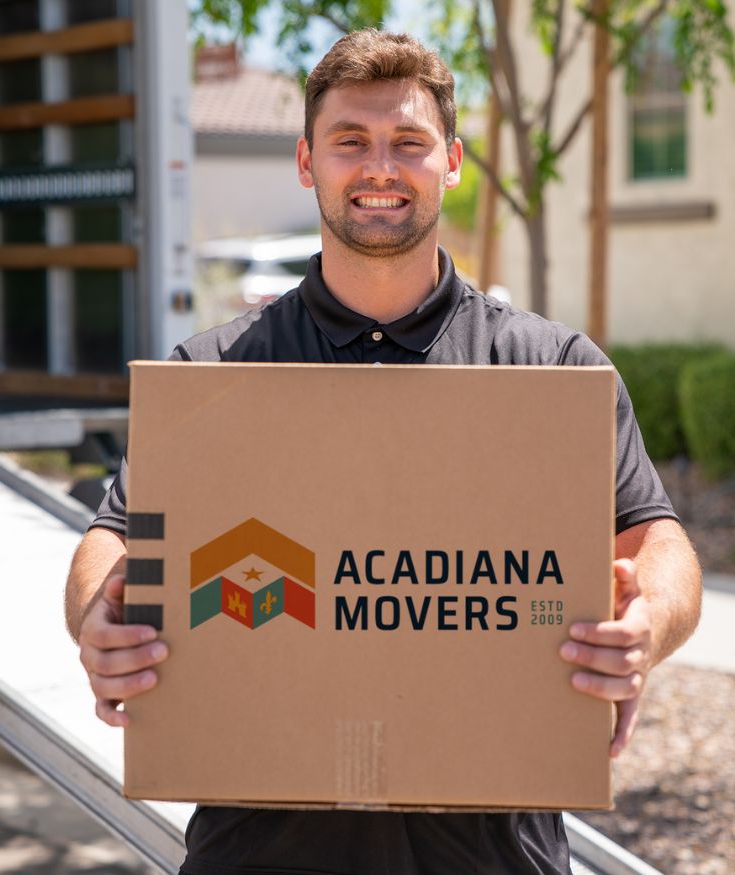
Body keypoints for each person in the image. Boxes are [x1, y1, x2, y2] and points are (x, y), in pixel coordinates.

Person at [65, 28, 701, 875]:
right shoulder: (212, 376)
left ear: (452, 162)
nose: (380, 168)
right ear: (307, 162)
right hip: (261, 854)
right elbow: (113, 535)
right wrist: (95, 617)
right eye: (350, 141)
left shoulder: (552, 370)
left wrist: (648, 624)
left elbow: (658, 539)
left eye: (408, 142)